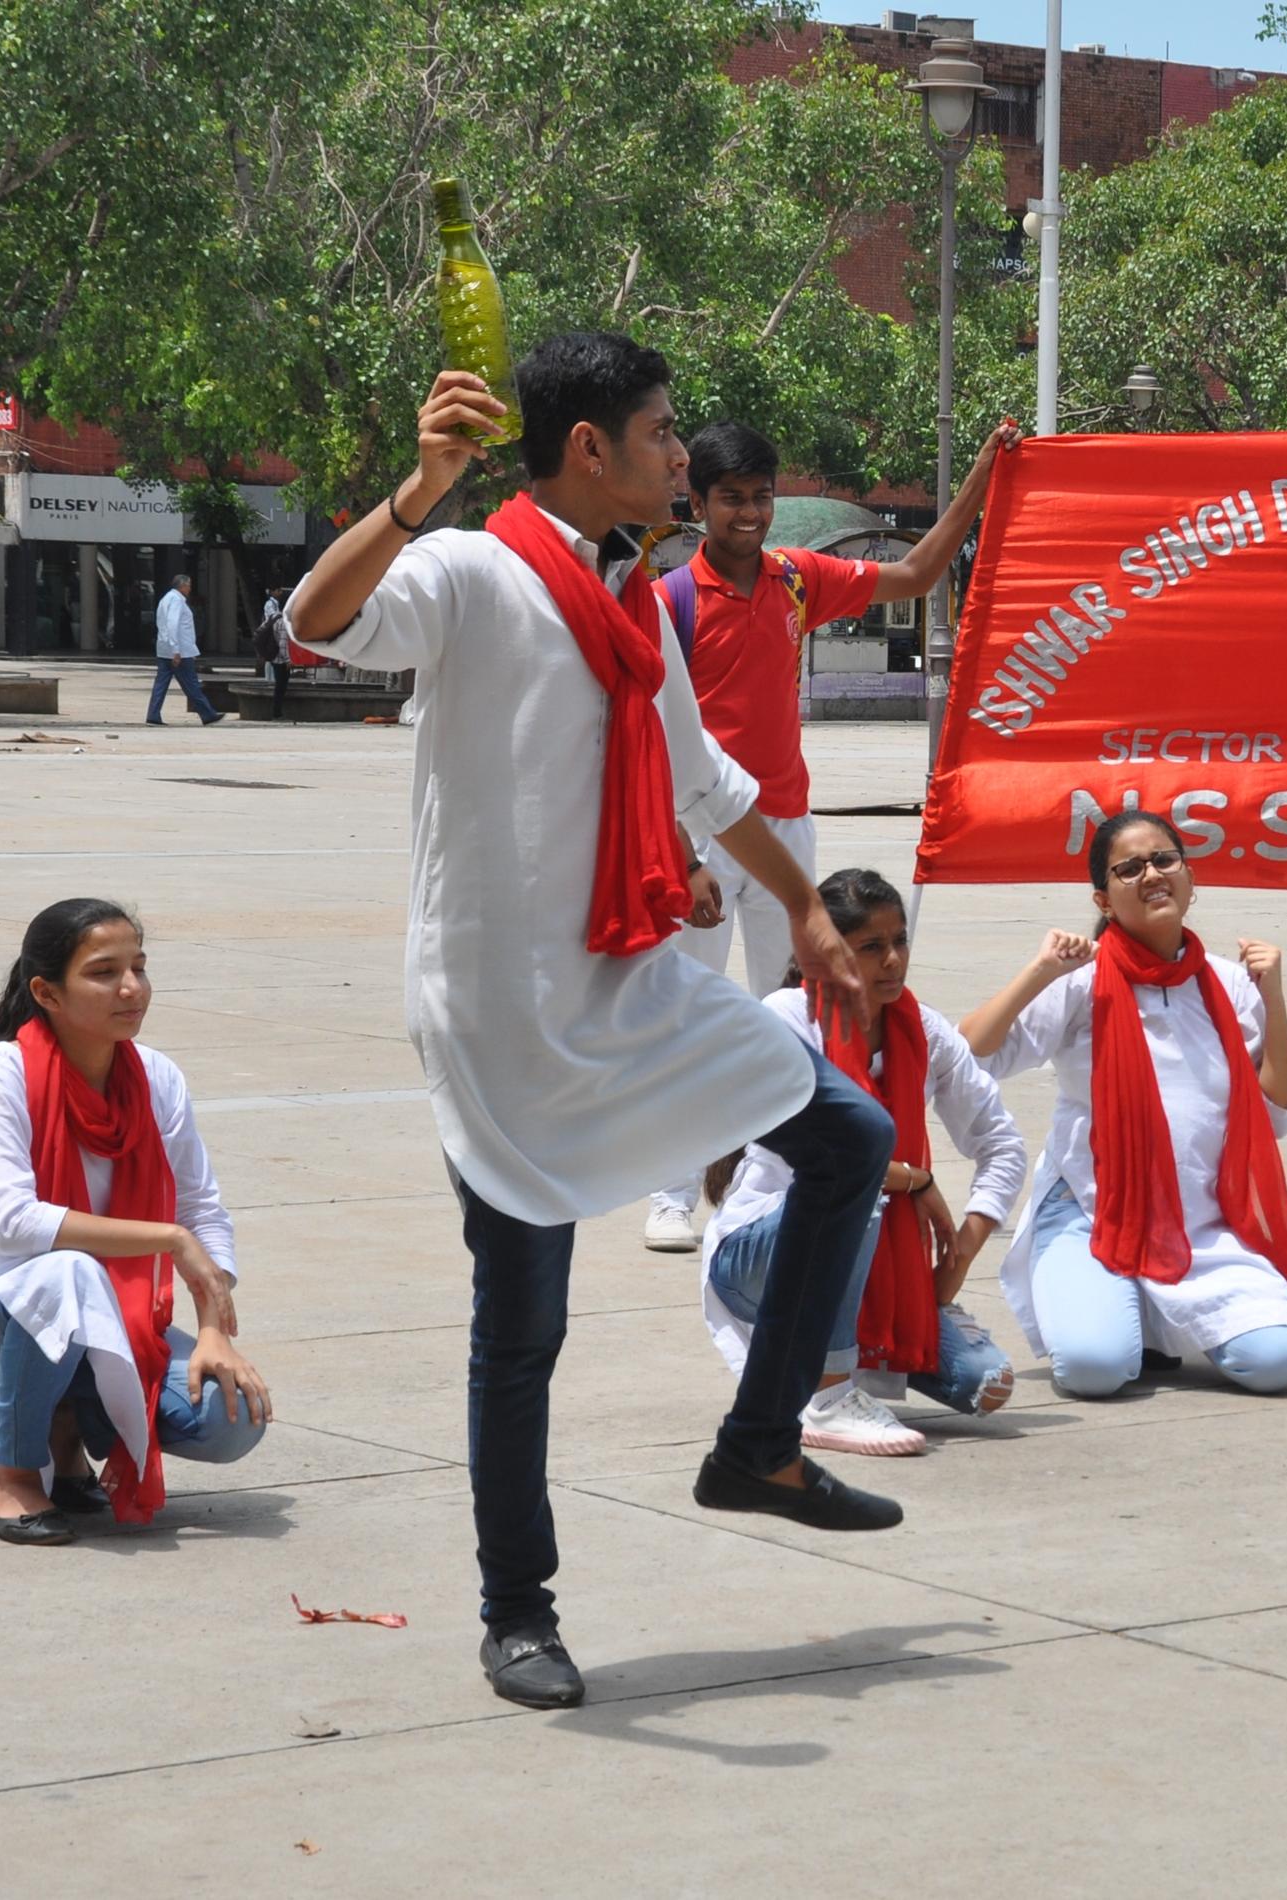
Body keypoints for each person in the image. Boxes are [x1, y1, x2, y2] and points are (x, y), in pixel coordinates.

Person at [282, 338, 905, 1711]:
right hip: (504, 1013)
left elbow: (708, 778)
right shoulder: (469, 572)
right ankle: (518, 1613)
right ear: (590, 452)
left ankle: (758, 1446)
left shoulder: (633, 603)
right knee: (524, 1323)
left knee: (849, 1135)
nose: (682, 459)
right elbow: (314, 625)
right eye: (663, 435)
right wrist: (414, 491)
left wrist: (803, 907)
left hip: (626, 980)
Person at [640, 416, 1018, 1254]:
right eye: (730, 499)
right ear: (695, 503)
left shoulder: (798, 582)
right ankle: (670, 1193)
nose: (749, 514)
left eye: (762, 497)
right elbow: (644, 735)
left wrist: (985, 475)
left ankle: (768, 1172)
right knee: (691, 1014)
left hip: (782, 829)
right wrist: (685, 855)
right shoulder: (669, 600)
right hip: (699, 832)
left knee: (798, 1009)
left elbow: (917, 572)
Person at [0, 900, 272, 1545]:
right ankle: (15, 1476)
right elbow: (15, 1224)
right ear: (46, 992)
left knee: (229, 1417)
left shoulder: (156, 1078)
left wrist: (214, 1327)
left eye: (138, 966)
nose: (132, 987)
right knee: (64, 1272)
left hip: (104, 1324)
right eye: (104, 972)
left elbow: (202, 1210)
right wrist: (168, 1239)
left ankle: (65, 1431)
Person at [960, 811, 1287, 1398]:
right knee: (1094, 1369)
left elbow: (1275, 1113)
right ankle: (1123, 1307)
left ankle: (1151, 1314)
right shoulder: (1082, 981)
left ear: (1189, 877)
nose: (1151, 874)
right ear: (1104, 900)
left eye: (1164, 860)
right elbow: (972, 1055)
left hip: (1198, 1220)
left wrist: (1273, 998)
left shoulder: (1229, 985)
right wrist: (1039, 971)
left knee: (1280, 1361)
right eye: (1128, 869)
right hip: (1093, 1210)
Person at [701, 869, 1027, 1454]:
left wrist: (960, 1254)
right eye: (871, 947)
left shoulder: (922, 1029)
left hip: (868, 1259)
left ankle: (850, 1356)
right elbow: (824, 1154)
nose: (894, 961)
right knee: (855, 1193)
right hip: (761, 1261)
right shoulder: (786, 1018)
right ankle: (827, 1397)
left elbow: (1002, 1142)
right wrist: (915, 1179)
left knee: (988, 1385)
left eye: (899, 941)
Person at [145, 574, 225, 726]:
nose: (190, 589)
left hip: (164, 648)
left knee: (161, 684)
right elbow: (172, 624)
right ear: (182, 586)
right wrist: (175, 649)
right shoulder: (176, 601)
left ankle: (153, 714)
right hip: (180, 650)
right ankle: (208, 714)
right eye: (188, 585)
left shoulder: (166, 599)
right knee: (191, 683)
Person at [252, 585, 293, 719]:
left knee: (277, 684)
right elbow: (282, 643)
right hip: (280, 659)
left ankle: (276, 712)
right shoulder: (282, 621)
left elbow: (261, 629)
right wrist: (287, 660)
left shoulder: (273, 617)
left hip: (273, 655)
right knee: (281, 686)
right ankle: (277, 713)